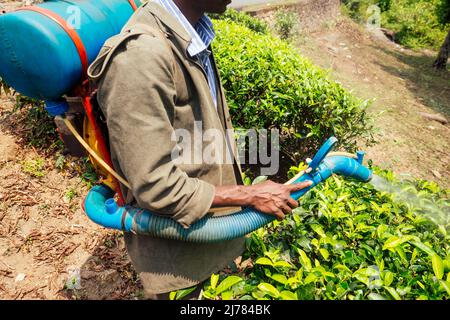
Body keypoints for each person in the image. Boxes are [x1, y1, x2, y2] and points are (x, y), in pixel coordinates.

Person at [87, 0, 312, 300]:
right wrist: (251, 195)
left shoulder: (190, 33)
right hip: (177, 261)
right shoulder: (142, 57)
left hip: (205, 237)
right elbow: (156, 186)